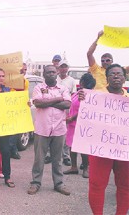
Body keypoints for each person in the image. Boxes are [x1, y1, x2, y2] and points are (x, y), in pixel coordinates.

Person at [79, 64, 129, 214]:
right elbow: (86, 120)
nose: (116, 76)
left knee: (125, 186)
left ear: (125, 78)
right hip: (101, 149)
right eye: (112, 74)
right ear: (107, 78)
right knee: (96, 185)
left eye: (119, 74)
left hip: (124, 150)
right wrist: (83, 102)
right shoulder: (94, 97)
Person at [27, 65, 71, 196]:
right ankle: (35, 183)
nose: (51, 74)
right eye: (48, 72)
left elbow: (67, 104)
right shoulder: (38, 87)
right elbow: (38, 103)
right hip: (42, 128)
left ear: (56, 73)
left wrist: (47, 101)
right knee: (39, 159)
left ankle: (59, 183)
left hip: (59, 129)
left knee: (57, 159)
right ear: (44, 75)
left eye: (53, 72)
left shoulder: (63, 88)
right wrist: (58, 99)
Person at [63, 73, 96, 178]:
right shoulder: (77, 93)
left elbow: (85, 110)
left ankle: (86, 168)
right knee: (71, 146)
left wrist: (72, 118)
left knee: (82, 147)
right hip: (72, 125)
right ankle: (74, 167)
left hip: (83, 125)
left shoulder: (90, 95)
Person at [10, 63, 29, 160]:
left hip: (19, 109)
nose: (24, 71)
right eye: (22, 69)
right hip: (10, 108)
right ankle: (12, 150)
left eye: (25, 70)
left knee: (16, 130)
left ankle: (13, 150)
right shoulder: (10, 80)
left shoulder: (26, 81)